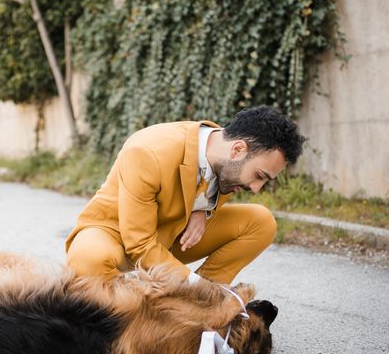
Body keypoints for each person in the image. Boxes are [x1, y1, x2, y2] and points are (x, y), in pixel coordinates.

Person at [65, 105, 306, 285]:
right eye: (259, 176)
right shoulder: (147, 151)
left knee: (260, 222)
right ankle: (194, 294)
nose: (256, 188)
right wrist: (193, 284)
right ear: (238, 149)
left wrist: (201, 208)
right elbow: (139, 244)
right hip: (114, 233)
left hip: (173, 236)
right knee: (88, 258)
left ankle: (199, 306)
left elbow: (203, 173)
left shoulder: (222, 153)